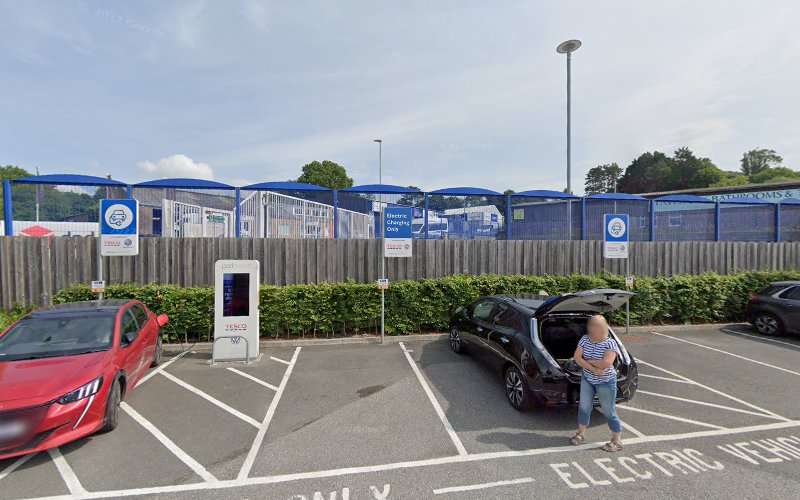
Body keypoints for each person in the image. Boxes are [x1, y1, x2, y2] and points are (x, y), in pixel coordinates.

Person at [569, 314, 623, 452]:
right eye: (591, 326)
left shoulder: (610, 343)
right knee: (584, 407)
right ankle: (580, 434)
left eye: (596, 327)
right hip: (588, 378)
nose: (592, 330)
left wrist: (589, 361)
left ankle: (616, 441)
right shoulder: (585, 339)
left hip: (606, 381)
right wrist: (593, 367)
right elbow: (577, 357)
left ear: (602, 329)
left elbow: (606, 363)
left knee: (609, 411)